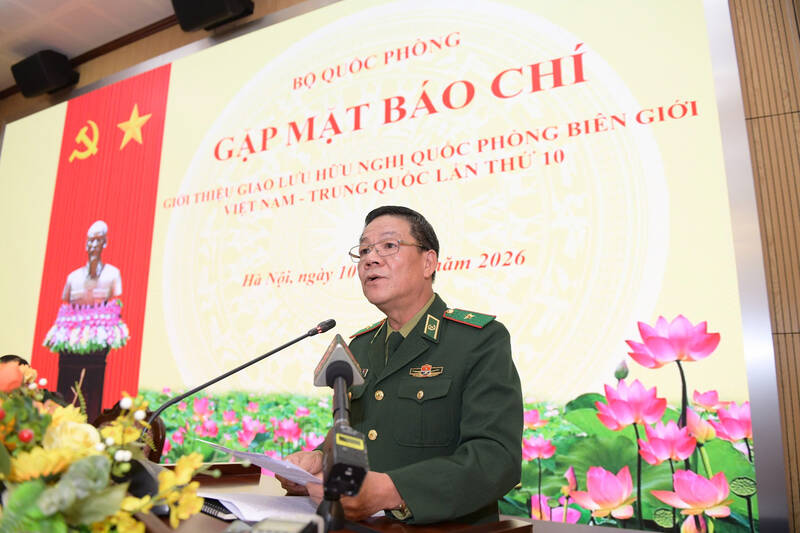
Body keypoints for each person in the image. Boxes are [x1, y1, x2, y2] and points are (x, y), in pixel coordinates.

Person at [279, 206, 523, 524]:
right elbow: (359, 434)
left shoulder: (477, 341)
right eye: (364, 250)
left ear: (428, 262)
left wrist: (393, 491)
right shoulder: (362, 346)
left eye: (389, 246)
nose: (371, 259)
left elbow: (496, 459)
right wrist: (318, 459)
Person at [61, 220, 122, 305]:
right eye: (91, 240)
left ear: (105, 243)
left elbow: (117, 302)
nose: (94, 245)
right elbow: (65, 304)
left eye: (98, 240)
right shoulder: (72, 278)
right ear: (86, 244)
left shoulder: (113, 274)